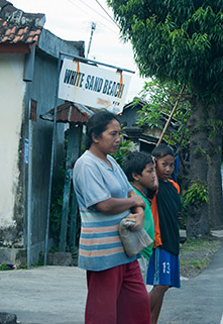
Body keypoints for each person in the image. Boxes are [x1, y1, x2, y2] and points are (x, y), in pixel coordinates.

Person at [72, 111, 151, 324]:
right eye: (113, 133)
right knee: (103, 316)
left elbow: (131, 192)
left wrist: (140, 213)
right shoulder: (86, 164)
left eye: (120, 134)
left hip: (127, 250)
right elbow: (104, 204)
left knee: (137, 308)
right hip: (103, 253)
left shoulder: (112, 163)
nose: (118, 139)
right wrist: (136, 203)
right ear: (95, 136)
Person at [147, 144, 181, 324]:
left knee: (164, 286)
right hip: (160, 242)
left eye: (171, 165)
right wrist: (151, 165)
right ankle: (135, 316)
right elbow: (150, 184)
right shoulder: (154, 186)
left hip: (172, 241)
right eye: (163, 164)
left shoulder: (174, 186)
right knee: (161, 284)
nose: (168, 169)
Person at [123, 151, 158, 283]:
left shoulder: (142, 194)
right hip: (139, 254)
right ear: (136, 176)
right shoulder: (133, 195)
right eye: (149, 171)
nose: (154, 175)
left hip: (144, 252)